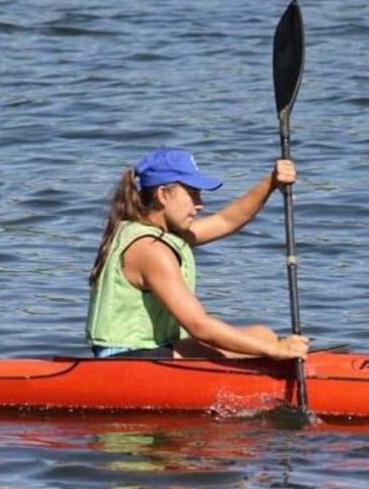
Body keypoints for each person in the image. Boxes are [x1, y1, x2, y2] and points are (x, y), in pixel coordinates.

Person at [86, 147, 310, 360]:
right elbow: (198, 325)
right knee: (257, 345)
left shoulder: (155, 231)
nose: (200, 204)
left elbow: (226, 220)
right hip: (125, 360)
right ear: (163, 194)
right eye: (192, 194)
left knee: (261, 334)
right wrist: (274, 350)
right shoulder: (150, 249)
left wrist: (271, 182)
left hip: (147, 352)